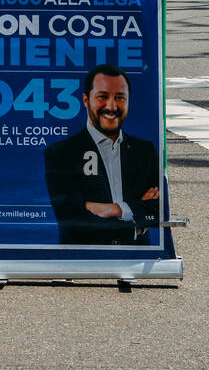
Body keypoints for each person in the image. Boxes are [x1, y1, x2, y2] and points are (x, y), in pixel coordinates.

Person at [43, 65, 160, 245]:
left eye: (120, 98)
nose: (111, 106)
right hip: (80, 259)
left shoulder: (145, 151)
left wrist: (115, 209)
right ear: (85, 100)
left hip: (138, 256)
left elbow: (157, 209)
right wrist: (134, 225)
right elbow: (75, 224)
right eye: (102, 97)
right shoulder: (61, 154)